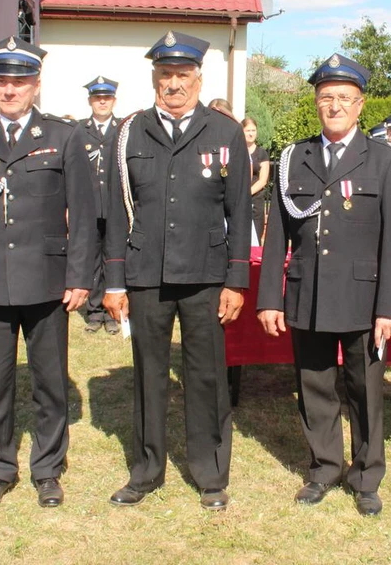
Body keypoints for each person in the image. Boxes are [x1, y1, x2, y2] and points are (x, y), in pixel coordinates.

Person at [0, 36, 96, 508]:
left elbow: (84, 215)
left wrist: (80, 277)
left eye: (19, 82)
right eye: (2, 81)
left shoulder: (63, 136)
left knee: (50, 381)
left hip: (48, 281)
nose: (10, 90)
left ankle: (47, 469)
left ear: (36, 84)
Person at [256, 53, 391, 517]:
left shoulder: (384, 160)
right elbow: (277, 234)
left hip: (364, 299)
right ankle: (324, 467)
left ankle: (366, 476)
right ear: (316, 103)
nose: (335, 106)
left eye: (344, 98)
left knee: (364, 388)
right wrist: (269, 298)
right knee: (314, 386)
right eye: (327, 98)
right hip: (308, 292)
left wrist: (389, 308)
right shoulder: (292, 160)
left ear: (360, 105)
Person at [102, 31, 252, 511]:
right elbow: (115, 211)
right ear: (153, 78)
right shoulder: (130, 131)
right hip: (146, 274)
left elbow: (240, 211)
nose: (173, 83)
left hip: (206, 276)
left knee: (206, 375)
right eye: (165, 74)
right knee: (148, 374)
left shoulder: (224, 131)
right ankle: (147, 471)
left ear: (198, 78)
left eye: (182, 75)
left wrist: (236, 280)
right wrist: (114, 280)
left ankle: (210, 475)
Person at [75, 76, 122, 334]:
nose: (102, 102)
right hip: (89, 207)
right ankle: (94, 311)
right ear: (90, 101)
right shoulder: (79, 131)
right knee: (91, 259)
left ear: (114, 100)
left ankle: (113, 312)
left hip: (115, 208)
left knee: (113, 258)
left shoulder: (124, 128)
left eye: (106, 98)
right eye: (97, 98)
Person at [243, 116, 270, 241]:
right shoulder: (237, 152)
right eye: (248, 130)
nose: (251, 134)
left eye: (253, 130)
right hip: (238, 201)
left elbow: (263, 180)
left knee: (255, 239)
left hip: (255, 201)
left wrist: (246, 193)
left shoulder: (262, 153)